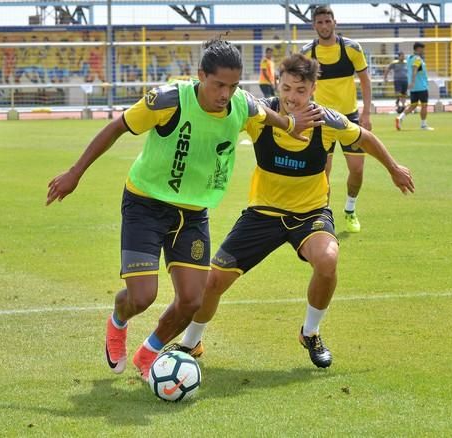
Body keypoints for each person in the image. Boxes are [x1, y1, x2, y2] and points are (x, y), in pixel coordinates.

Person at [46, 39, 324, 382]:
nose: (226, 93)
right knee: (142, 296)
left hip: (193, 214)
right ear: (200, 76)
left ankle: (148, 354)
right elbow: (117, 127)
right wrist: (75, 173)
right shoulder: (168, 100)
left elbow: (264, 113)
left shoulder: (240, 103)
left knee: (192, 300)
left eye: (233, 85)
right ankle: (118, 320)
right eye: (218, 84)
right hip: (146, 204)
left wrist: (290, 125)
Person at [173, 54, 415, 369]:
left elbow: (365, 138)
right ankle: (191, 343)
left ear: (313, 89)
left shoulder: (327, 121)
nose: (291, 97)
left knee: (327, 261)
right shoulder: (261, 115)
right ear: (278, 84)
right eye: (286, 88)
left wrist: (394, 168)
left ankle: (310, 333)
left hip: (309, 214)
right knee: (214, 282)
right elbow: (224, 112)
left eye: (300, 90)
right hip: (263, 213)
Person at [301, 6, 372, 234]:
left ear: (335, 22)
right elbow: (300, 85)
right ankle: (323, 217)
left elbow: (365, 80)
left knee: (358, 169)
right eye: (319, 22)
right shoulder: (307, 53)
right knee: (323, 172)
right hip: (321, 119)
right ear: (314, 25)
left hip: (350, 117)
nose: (324, 25)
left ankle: (350, 210)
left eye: (327, 21)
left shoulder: (351, 48)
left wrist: (367, 113)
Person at [396, 43, 434, 131]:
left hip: (414, 88)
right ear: (418, 49)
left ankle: (400, 118)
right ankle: (423, 125)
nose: (423, 51)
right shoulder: (418, 59)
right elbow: (414, 69)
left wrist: (411, 83)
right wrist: (413, 82)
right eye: (422, 49)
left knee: (413, 105)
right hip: (421, 86)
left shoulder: (409, 58)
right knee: (424, 105)